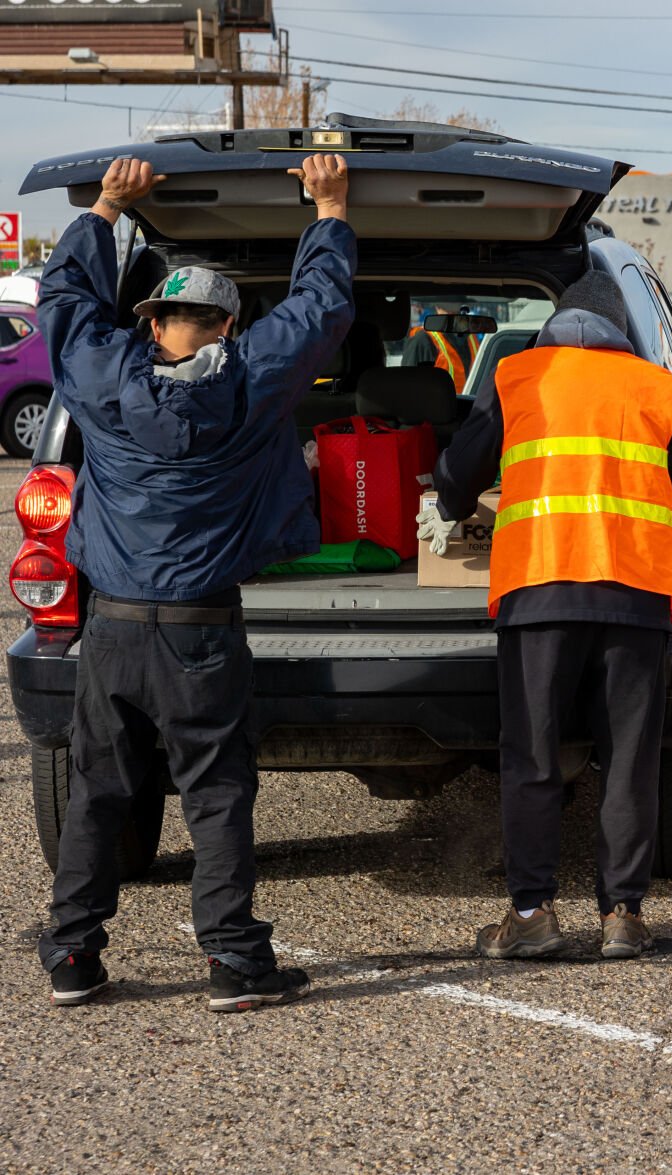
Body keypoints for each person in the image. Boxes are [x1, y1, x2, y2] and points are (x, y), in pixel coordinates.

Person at [37, 154, 356, 1009]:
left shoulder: (102, 374)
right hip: (201, 632)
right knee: (215, 792)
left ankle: (72, 956)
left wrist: (107, 206)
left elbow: (62, 301)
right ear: (224, 326)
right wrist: (326, 209)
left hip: (109, 628)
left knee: (100, 790)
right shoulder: (251, 382)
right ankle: (232, 963)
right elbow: (320, 310)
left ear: (152, 323)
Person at [423, 271, 672, 961]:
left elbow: (455, 475)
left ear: (557, 322)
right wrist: (651, 539)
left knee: (532, 753)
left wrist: (455, 509)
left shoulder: (518, 377)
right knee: (629, 758)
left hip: (540, 591)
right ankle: (623, 915)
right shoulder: (655, 387)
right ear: (620, 327)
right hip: (634, 595)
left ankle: (531, 914)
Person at [405, 302, 480, 394]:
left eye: (456, 303)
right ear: (437, 307)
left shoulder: (471, 338)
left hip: (472, 406)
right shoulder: (423, 340)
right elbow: (410, 389)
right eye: (447, 305)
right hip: (439, 407)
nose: (452, 310)